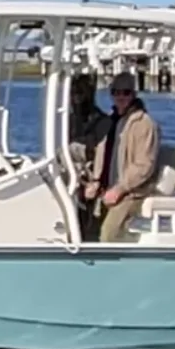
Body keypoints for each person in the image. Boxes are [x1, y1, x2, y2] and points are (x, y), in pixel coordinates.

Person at [93, 72, 161, 242]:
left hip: (133, 191)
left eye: (126, 92)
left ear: (133, 94)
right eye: (116, 92)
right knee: (86, 224)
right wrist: (95, 181)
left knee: (108, 234)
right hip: (109, 187)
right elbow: (102, 154)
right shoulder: (113, 121)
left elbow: (144, 165)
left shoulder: (144, 124)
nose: (120, 97)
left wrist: (120, 189)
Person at [66, 73, 111, 241]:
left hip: (92, 175)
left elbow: (103, 155)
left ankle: (86, 234)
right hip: (71, 171)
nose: (76, 98)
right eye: (73, 93)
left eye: (80, 93)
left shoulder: (103, 122)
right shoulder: (68, 121)